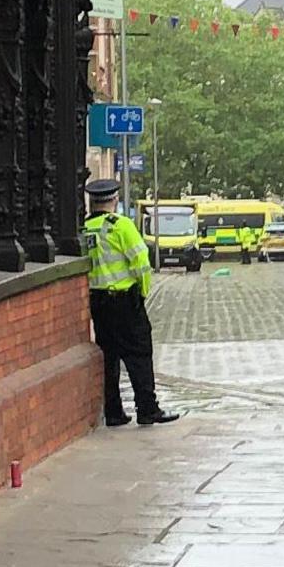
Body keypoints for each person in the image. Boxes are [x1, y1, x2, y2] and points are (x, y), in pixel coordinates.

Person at [80, 177, 178, 427]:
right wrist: (142, 293)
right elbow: (141, 263)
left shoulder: (83, 228)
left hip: (98, 302)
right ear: (114, 201)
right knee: (139, 354)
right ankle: (147, 408)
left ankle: (113, 412)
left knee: (109, 356)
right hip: (125, 301)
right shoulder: (121, 226)